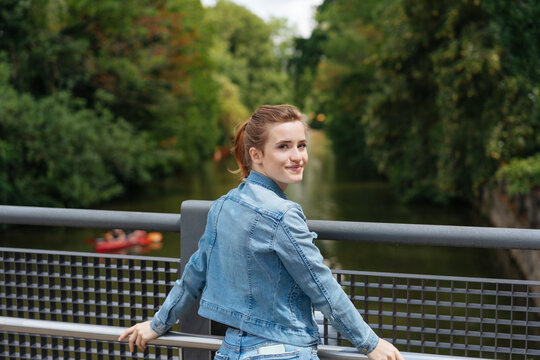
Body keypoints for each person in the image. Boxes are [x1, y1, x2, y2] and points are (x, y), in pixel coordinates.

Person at [119, 105, 404, 360]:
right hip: (285, 351)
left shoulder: (221, 207)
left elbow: (193, 276)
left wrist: (157, 324)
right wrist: (369, 343)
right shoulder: (283, 214)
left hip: (230, 351)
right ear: (256, 155)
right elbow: (322, 287)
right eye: (283, 147)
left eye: (301, 145)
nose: (297, 157)